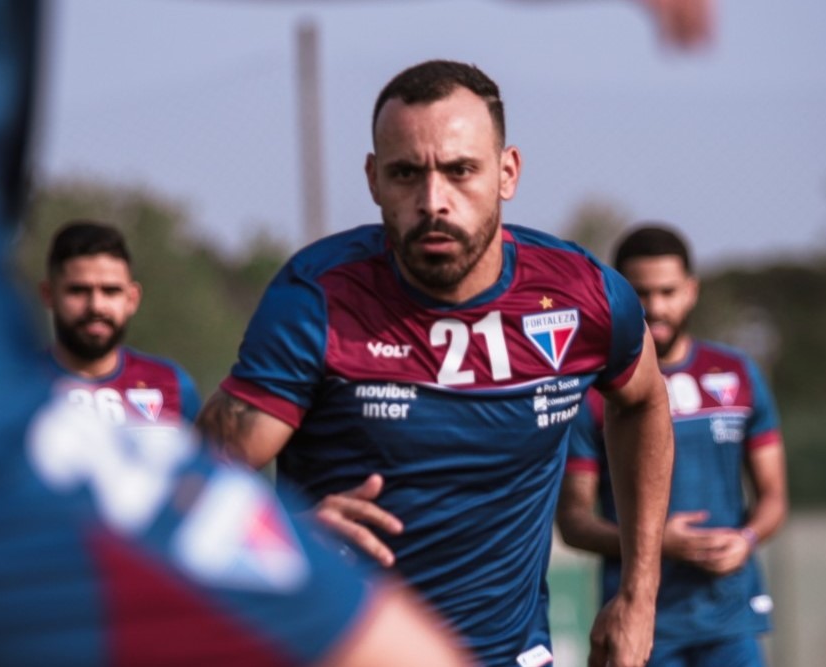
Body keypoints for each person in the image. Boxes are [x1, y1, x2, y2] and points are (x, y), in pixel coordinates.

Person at [0, 3, 474, 665]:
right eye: (80, 288)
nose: (434, 198)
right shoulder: (312, 298)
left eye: (109, 289)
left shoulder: (163, 384)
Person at [197, 59, 674, 667]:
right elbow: (189, 482)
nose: (432, 200)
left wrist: (639, 594)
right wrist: (281, 534)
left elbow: (644, 402)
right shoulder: (317, 301)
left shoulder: (584, 297)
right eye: (405, 174)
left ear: (507, 173)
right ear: (373, 180)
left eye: (460, 171)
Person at [556, 224, 789, 667]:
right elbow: (573, 521)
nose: (655, 306)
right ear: (619, 296)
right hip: (642, 628)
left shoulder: (738, 374)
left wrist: (747, 537)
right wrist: (656, 542)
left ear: (691, 290)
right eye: (641, 292)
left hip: (730, 619)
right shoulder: (593, 394)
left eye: (667, 291)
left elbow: (774, 498)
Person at [40, 220, 201, 431]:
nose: (96, 306)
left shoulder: (173, 385)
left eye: (110, 291)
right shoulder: (10, 386)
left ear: (132, 299)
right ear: (48, 295)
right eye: (78, 291)